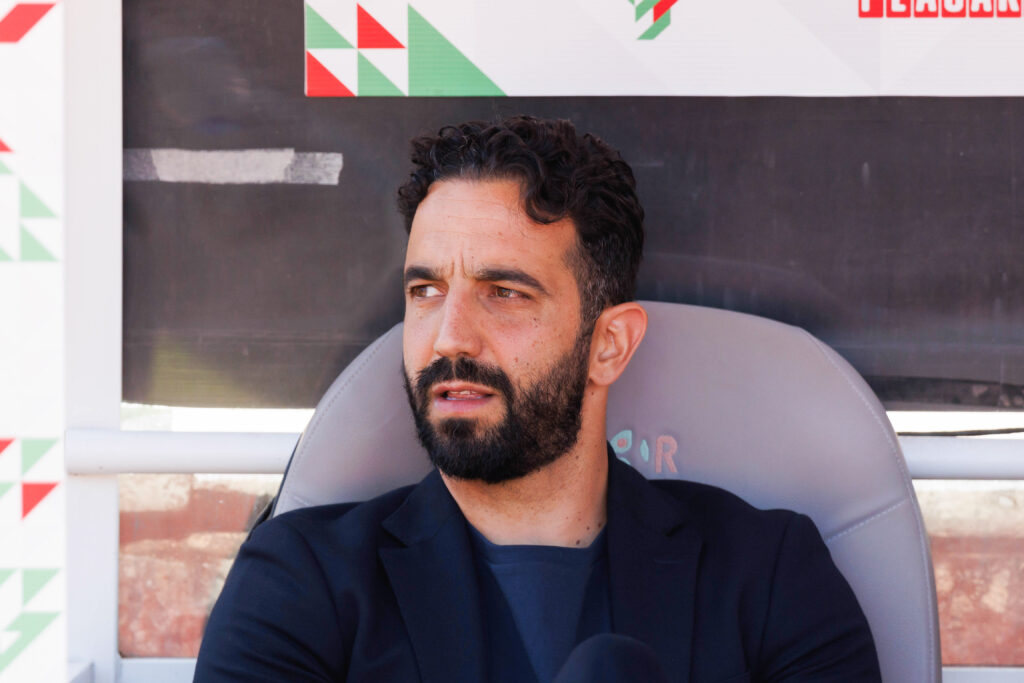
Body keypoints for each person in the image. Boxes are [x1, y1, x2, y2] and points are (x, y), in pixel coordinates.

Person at [193, 116, 881, 682]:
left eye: (506, 293)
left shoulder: (768, 577)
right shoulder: (300, 581)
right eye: (425, 291)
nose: (448, 338)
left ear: (609, 344)